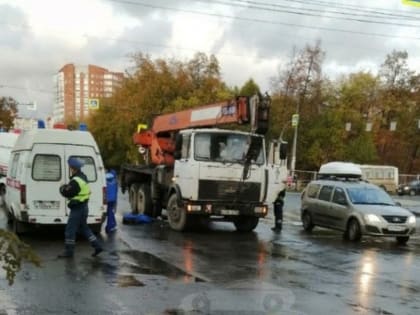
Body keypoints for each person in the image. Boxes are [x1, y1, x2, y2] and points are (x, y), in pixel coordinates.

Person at [58, 157, 103, 258]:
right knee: (84, 228)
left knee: (70, 230)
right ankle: (97, 246)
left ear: (73, 168)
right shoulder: (83, 177)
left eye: (70, 167)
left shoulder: (75, 181)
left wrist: (62, 188)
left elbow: (68, 193)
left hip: (77, 208)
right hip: (84, 207)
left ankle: (69, 252)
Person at [105, 169, 118, 233]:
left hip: (106, 199)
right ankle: (110, 227)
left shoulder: (105, 179)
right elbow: (116, 192)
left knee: (109, 212)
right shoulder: (115, 181)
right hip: (112, 200)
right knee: (110, 212)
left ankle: (112, 225)